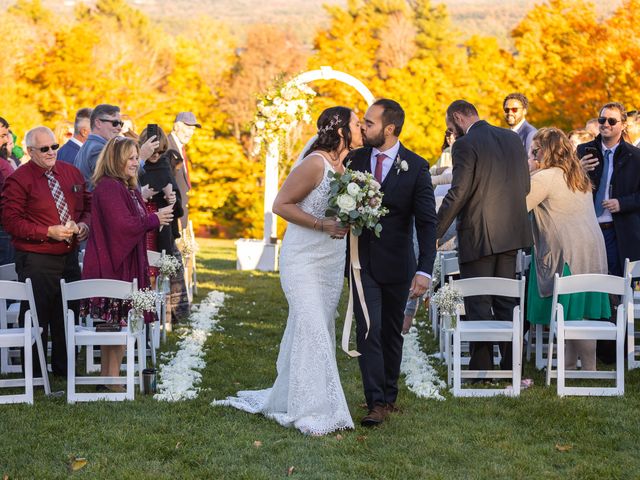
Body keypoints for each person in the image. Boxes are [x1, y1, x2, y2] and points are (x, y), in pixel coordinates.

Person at [213, 106, 360, 435]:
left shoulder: (348, 165)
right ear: (340, 130)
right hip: (303, 259)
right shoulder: (316, 162)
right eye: (356, 122)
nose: (362, 125)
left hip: (331, 260)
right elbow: (280, 204)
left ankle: (294, 396)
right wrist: (323, 224)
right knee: (314, 330)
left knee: (316, 327)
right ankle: (314, 409)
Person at [348, 99, 437, 427]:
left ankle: (389, 394)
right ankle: (376, 402)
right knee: (368, 330)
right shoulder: (354, 160)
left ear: (389, 128)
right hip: (362, 263)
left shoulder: (416, 165)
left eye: (369, 123)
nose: (362, 127)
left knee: (392, 333)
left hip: (400, 264)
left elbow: (428, 222)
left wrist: (425, 269)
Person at [437, 100, 532, 374]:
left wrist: (436, 232)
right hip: (511, 233)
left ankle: (483, 370)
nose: (452, 133)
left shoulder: (465, 145)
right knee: (506, 301)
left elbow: (458, 192)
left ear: (457, 117)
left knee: (478, 301)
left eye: (451, 128)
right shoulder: (512, 139)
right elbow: (524, 185)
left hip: (478, 234)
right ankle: (513, 366)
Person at [81, 137, 173, 388]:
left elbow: (134, 220)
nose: (136, 163)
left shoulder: (126, 187)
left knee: (121, 321)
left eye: (136, 157)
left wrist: (153, 217)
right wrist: (155, 218)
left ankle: (111, 377)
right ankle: (109, 378)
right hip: (112, 262)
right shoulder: (109, 187)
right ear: (116, 160)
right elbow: (122, 226)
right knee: (114, 322)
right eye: (131, 158)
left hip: (126, 261)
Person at [1, 126, 90, 377]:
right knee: (36, 315)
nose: (51, 152)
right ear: (30, 151)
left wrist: (83, 225)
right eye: (44, 149)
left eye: (54, 147)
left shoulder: (71, 172)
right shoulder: (18, 179)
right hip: (36, 257)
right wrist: (46, 231)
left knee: (67, 312)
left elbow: (87, 207)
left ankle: (64, 369)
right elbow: (11, 221)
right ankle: (34, 372)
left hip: (69, 255)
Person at [526, 128, 610, 371]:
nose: (531, 154)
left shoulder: (545, 177)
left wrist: (529, 173)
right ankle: (570, 365)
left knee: (572, 314)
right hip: (591, 250)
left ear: (545, 151)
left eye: (534, 150)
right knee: (577, 311)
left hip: (566, 252)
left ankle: (591, 369)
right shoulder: (574, 174)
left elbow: (517, 208)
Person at [577, 102, 640, 277]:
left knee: (614, 285)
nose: (605, 124)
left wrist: (622, 203)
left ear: (623, 125)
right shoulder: (583, 151)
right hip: (587, 229)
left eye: (612, 121)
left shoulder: (635, 157)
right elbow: (568, 188)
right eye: (602, 119)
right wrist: (577, 170)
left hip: (617, 231)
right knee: (587, 282)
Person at [138, 126, 190, 322]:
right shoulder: (136, 166)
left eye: (160, 152)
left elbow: (177, 209)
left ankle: (165, 317)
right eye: (153, 151)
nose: (156, 155)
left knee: (161, 275)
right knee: (145, 275)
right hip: (141, 228)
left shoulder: (163, 166)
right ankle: (144, 317)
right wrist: (142, 197)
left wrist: (171, 199)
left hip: (162, 231)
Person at [168, 112, 200, 229]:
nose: (191, 132)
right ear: (176, 126)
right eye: (188, 127)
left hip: (179, 214)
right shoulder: (168, 147)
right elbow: (166, 184)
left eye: (193, 129)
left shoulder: (180, 148)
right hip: (171, 217)